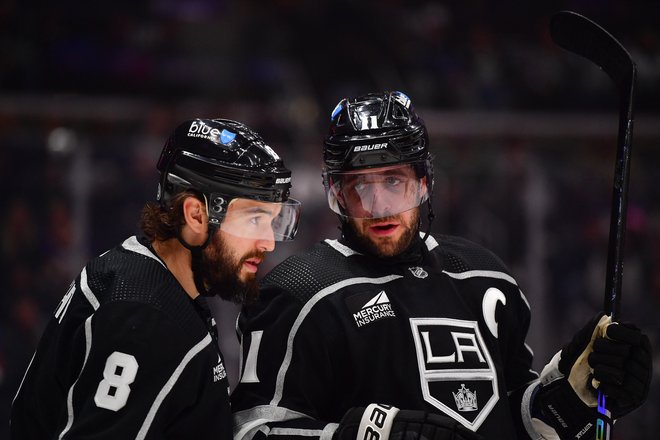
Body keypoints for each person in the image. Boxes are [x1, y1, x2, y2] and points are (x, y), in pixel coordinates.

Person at [230, 92, 652, 440]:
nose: (380, 208)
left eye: (394, 182)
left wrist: (568, 399)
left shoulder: (485, 276)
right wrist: (356, 435)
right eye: (360, 187)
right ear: (336, 193)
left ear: (425, 182)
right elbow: (251, 431)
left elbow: (515, 421)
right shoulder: (298, 290)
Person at [10, 118, 301, 439]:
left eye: (273, 221)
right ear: (195, 214)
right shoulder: (145, 318)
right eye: (255, 218)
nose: (268, 242)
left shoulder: (146, 273)